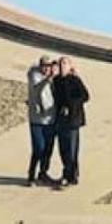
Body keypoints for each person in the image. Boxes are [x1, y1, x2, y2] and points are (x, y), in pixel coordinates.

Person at [51, 57, 89, 187]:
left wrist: (71, 106)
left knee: (71, 149)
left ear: (69, 66)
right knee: (63, 148)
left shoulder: (75, 80)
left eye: (65, 63)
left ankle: (70, 176)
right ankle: (70, 173)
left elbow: (85, 96)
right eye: (60, 63)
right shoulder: (56, 81)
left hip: (73, 119)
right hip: (61, 119)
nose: (62, 66)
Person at [25, 55, 58, 186]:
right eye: (44, 66)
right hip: (37, 119)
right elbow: (37, 88)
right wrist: (48, 79)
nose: (46, 69)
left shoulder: (54, 78)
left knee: (48, 149)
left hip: (51, 118)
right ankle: (31, 174)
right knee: (38, 148)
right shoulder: (34, 75)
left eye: (48, 66)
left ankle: (43, 172)